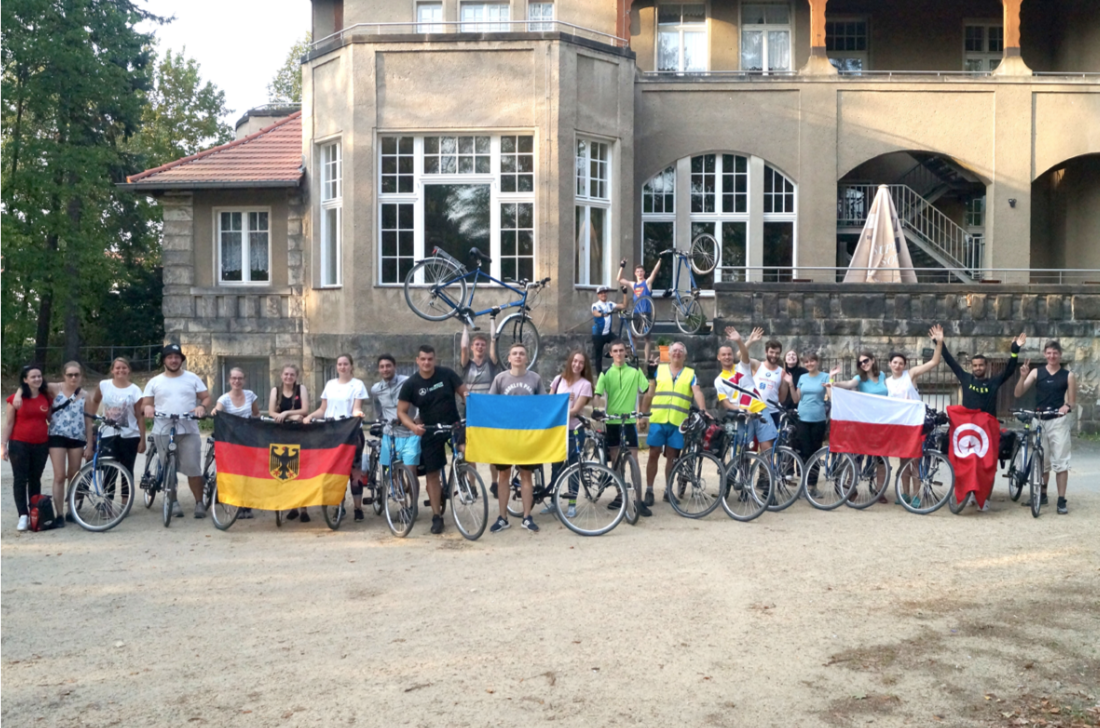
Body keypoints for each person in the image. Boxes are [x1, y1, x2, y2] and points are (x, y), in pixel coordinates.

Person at [398, 345, 468, 535]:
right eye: (423, 359)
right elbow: (401, 412)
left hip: (453, 424)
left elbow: (464, 393)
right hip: (429, 429)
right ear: (417, 361)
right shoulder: (411, 384)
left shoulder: (447, 374)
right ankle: (437, 516)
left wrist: (469, 403)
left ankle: (463, 475)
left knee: (466, 449)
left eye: (430, 359)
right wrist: (413, 427)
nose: (427, 362)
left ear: (434, 360)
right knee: (432, 474)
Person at [142, 344, 212, 519]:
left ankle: (199, 502)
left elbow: (206, 397)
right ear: (164, 360)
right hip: (163, 429)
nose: (173, 360)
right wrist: (149, 408)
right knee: (167, 468)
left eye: (177, 357)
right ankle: (172, 501)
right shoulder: (155, 381)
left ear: (181, 359)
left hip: (188, 429)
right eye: (169, 357)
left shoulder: (192, 378)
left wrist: (201, 407)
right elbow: (146, 402)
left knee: (193, 468)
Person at [486, 343, 545, 533]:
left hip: (527, 435)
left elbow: (544, 404)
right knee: (504, 475)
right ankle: (502, 517)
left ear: (527, 358)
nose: (518, 356)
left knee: (526, 475)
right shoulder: (500, 378)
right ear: (509, 358)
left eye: (521, 353)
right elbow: (490, 403)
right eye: (514, 354)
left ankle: (527, 516)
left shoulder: (535, 379)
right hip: (505, 434)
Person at [1014, 340, 1077, 515]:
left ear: (1060, 355)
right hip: (1039, 419)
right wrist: (1022, 376)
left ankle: (1061, 499)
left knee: (1061, 461)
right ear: (1044, 354)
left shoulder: (1068, 375)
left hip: (1058, 421)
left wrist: (1067, 407)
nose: (1052, 356)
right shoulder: (1037, 372)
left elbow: (1072, 401)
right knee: (1043, 460)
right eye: (1049, 353)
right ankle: (1042, 494)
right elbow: (1018, 393)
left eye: (1055, 353)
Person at [304, 354, 369, 519]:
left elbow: (356, 408)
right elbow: (323, 409)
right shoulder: (330, 384)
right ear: (336, 366)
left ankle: (357, 508)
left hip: (351, 432)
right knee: (334, 471)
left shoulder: (357, 384)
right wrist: (310, 416)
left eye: (345, 364)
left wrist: (358, 414)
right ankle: (338, 507)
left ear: (351, 366)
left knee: (355, 471)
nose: (342, 367)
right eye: (339, 364)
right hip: (332, 433)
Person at [883, 328, 943, 505]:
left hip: (915, 423)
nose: (897, 365)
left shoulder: (910, 375)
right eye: (895, 362)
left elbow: (934, 362)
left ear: (904, 365)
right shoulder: (886, 382)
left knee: (915, 461)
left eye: (901, 363)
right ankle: (905, 494)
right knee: (903, 462)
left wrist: (939, 343)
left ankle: (917, 495)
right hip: (900, 424)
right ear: (890, 364)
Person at [645, 341, 708, 502]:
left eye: (680, 351)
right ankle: (649, 490)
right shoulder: (658, 370)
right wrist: (642, 414)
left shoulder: (690, 374)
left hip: (678, 422)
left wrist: (702, 409)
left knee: (672, 458)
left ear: (685, 355)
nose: (677, 353)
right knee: (653, 454)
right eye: (674, 350)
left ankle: (668, 489)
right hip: (658, 418)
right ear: (669, 353)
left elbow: (697, 392)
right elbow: (649, 393)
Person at [593, 340, 652, 511]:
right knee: (617, 463)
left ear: (626, 353)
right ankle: (620, 495)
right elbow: (597, 394)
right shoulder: (605, 373)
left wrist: (642, 410)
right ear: (610, 354)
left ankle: (638, 500)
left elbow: (648, 390)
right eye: (615, 351)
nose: (619, 354)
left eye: (621, 351)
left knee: (634, 460)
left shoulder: (635, 371)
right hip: (612, 422)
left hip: (629, 421)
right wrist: (597, 409)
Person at [85, 357, 146, 506]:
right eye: (117, 368)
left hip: (130, 435)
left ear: (129, 370)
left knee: (127, 468)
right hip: (108, 433)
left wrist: (142, 438)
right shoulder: (104, 385)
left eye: (124, 368)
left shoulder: (135, 390)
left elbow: (139, 415)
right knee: (108, 468)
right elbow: (95, 400)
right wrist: (91, 419)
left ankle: (125, 502)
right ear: (112, 370)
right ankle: (107, 501)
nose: (120, 370)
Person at [2, 366, 51, 531]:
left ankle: (34, 512)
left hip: (41, 444)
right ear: (25, 380)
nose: (37, 379)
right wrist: (3, 445)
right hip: (19, 443)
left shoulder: (46, 397)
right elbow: (8, 423)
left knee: (35, 479)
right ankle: (22, 514)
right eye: (33, 377)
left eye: (39, 376)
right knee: (20, 479)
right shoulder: (15, 400)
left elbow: (50, 418)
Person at [545, 350, 594, 516]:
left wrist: (565, 402)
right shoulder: (558, 380)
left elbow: (574, 411)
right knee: (556, 466)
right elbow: (550, 402)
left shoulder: (585, 385)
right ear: (570, 362)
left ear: (584, 365)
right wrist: (565, 401)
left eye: (580, 362)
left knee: (574, 467)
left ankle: (572, 503)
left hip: (574, 430)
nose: (577, 365)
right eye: (574, 361)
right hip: (558, 430)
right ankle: (554, 501)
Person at [371, 354, 420, 516]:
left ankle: (413, 506)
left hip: (409, 432)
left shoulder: (407, 382)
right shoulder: (376, 389)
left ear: (394, 366)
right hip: (390, 434)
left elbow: (419, 402)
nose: (385, 369)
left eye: (388, 366)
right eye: (382, 366)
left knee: (411, 471)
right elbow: (377, 408)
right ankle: (403, 507)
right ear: (379, 369)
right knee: (392, 473)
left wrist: (417, 419)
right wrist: (380, 420)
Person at [719, 327, 780, 453]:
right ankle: (745, 473)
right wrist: (740, 409)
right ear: (718, 357)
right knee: (745, 450)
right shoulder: (718, 380)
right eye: (724, 355)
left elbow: (743, 355)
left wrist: (740, 341)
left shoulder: (742, 367)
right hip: (742, 415)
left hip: (759, 409)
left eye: (729, 354)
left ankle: (768, 473)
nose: (727, 357)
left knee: (767, 447)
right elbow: (725, 402)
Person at [938, 332, 1025, 417]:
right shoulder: (966, 378)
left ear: (986, 366)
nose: (978, 368)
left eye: (981, 365)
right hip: (969, 425)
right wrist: (939, 342)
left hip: (987, 426)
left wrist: (1014, 351)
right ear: (972, 367)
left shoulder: (993, 382)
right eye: (975, 365)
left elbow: (1009, 370)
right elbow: (950, 360)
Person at [214, 368, 261, 519]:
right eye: (234, 378)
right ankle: (236, 502)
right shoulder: (224, 399)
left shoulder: (250, 396)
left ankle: (247, 503)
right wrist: (215, 411)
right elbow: (218, 409)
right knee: (234, 471)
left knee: (248, 471)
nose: (237, 381)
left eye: (240, 378)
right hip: (231, 440)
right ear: (229, 380)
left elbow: (256, 414)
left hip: (247, 439)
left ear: (244, 380)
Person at [460, 325, 499, 493]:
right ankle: (472, 484)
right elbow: (462, 347)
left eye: (482, 344)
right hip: (469, 410)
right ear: (472, 347)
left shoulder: (491, 363)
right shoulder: (466, 364)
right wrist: (465, 326)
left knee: (493, 448)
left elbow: (494, 341)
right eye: (477, 344)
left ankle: (495, 483)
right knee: (470, 448)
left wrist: (493, 321)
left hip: (488, 411)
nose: (480, 347)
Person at [269, 364, 312, 522]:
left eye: (291, 375)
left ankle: (304, 508)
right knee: (284, 470)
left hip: (300, 435)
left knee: (301, 469)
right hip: (281, 435)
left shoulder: (302, 390)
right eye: (286, 374)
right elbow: (272, 412)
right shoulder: (276, 391)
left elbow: (305, 410)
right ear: (281, 376)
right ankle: (291, 505)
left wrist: (287, 412)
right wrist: (289, 417)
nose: (288, 377)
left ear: (296, 376)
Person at [785, 352, 829, 480]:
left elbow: (831, 395)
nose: (809, 364)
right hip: (802, 418)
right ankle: (804, 482)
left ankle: (812, 484)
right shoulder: (803, 377)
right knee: (803, 452)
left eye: (812, 361)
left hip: (818, 419)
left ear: (817, 362)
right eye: (807, 362)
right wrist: (791, 384)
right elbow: (796, 399)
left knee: (815, 452)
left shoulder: (825, 376)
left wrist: (831, 379)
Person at [591, 286, 623, 376]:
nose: (603, 294)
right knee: (598, 357)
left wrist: (624, 293)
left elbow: (624, 305)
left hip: (608, 333)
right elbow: (595, 313)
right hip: (598, 335)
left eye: (605, 292)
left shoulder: (610, 304)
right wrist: (602, 314)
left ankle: (611, 355)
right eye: (601, 293)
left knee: (619, 343)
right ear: (598, 295)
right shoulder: (595, 305)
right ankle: (599, 376)